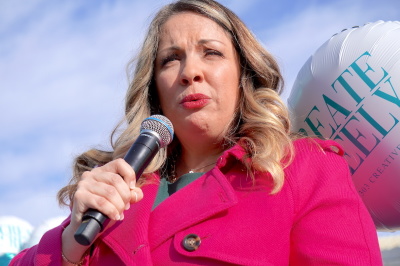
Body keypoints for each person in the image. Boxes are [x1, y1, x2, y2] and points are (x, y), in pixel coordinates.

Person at [11, 0, 383, 265]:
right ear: (155, 87)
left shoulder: (303, 170)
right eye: (171, 59)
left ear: (244, 76)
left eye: (212, 53)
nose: (190, 72)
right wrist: (67, 249)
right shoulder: (116, 194)